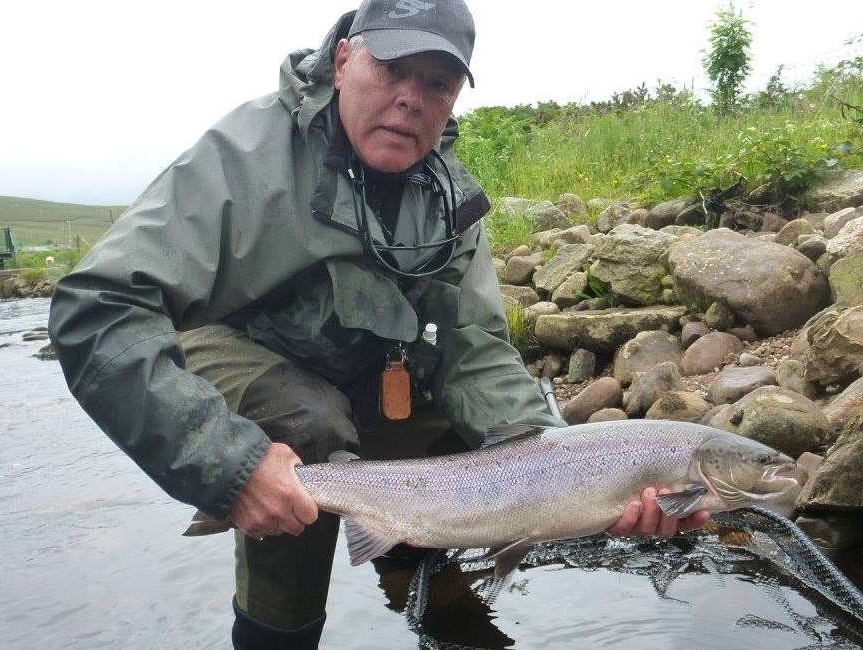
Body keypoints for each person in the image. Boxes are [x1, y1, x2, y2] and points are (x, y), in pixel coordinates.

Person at [48, 1, 709, 648]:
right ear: (342, 62)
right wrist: (228, 465)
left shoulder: (451, 200)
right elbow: (95, 306)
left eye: (437, 83)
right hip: (234, 361)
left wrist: (561, 469)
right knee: (308, 420)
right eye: (392, 70)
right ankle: (278, 632)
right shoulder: (244, 157)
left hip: (370, 371)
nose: (410, 99)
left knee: (469, 436)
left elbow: (477, 352)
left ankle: (427, 589)